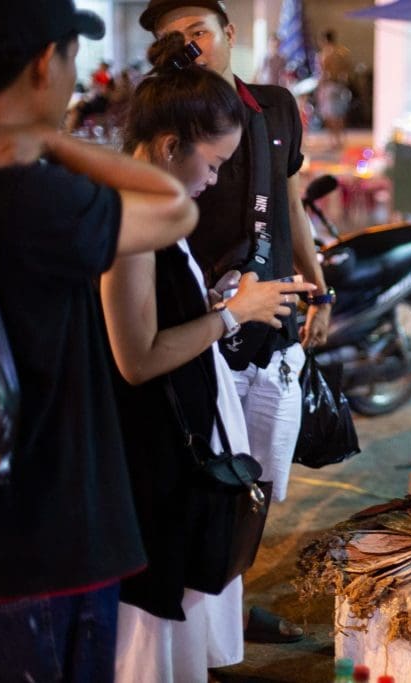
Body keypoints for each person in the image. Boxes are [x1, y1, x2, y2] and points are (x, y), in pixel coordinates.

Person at [0, 0, 199, 679]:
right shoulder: (29, 189)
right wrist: (54, 142)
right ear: (42, 65)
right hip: (46, 540)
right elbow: (176, 207)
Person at [102, 33, 315, 682]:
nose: (217, 178)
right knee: (155, 627)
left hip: (177, 454)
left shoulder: (159, 207)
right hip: (152, 462)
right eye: (215, 163)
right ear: (171, 147)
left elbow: (162, 314)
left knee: (183, 614)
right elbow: (135, 358)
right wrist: (231, 314)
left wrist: (217, 296)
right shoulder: (132, 219)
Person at [139, 0, 334, 644]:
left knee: (258, 478)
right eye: (175, 37)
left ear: (227, 33)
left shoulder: (276, 106)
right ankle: (209, 614)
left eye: (199, 30)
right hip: (199, 321)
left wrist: (318, 287)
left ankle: (228, 599)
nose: (190, 44)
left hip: (267, 315)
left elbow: (290, 199)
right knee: (206, 476)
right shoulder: (170, 124)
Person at [315, 29, 351, 150]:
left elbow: (322, 73)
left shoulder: (324, 55)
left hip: (329, 87)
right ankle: (340, 140)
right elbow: (347, 69)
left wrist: (319, 87)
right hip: (340, 86)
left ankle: (333, 141)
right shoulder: (342, 53)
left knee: (330, 115)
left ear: (324, 40)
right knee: (340, 114)